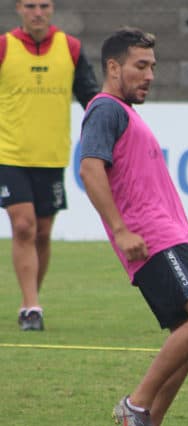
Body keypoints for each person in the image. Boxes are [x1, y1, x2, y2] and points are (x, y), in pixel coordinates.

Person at [78, 27, 188, 426]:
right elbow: (90, 170)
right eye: (140, 66)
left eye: (152, 67)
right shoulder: (105, 109)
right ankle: (135, 406)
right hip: (151, 239)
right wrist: (121, 231)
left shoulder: (125, 112)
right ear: (112, 67)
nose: (149, 75)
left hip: (168, 237)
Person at [0, 0, 98, 331]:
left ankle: (31, 301)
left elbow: (90, 96)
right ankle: (31, 306)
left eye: (43, 5)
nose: (37, 12)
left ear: (52, 8)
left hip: (52, 156)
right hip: (9, 155)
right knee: (24, 225)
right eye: (30, 6)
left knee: (42, 233)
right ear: (19, 9)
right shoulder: (4, 47)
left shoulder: (70, 48)